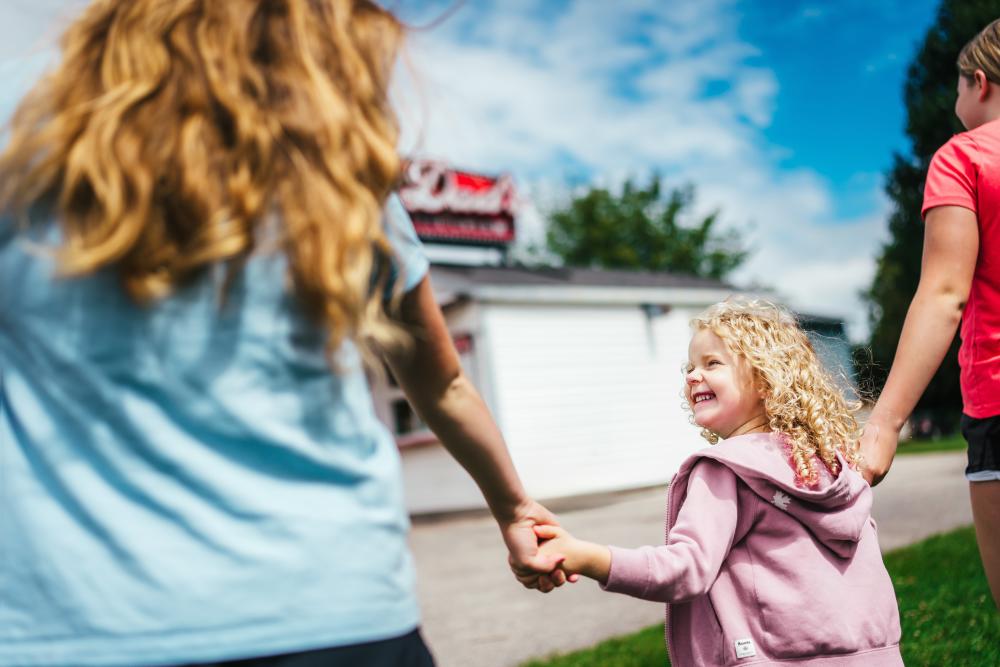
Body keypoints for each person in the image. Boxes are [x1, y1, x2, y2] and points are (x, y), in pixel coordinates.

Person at [0, 2, 564, 666]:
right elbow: (442, 384)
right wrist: (514, 507)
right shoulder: (331, 170)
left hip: (84, 623)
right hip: (338, 615)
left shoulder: (23, 140)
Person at [533, 299, 903, 666]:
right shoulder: (831, 465)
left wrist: (587, 557)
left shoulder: (726, 470)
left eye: (712, 363)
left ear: (765, 380)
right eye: (690, 367)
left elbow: (684, 569)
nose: (693, 376)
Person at [860, 18, 1000, 608]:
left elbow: (945, 294)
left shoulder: (964, 156)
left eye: (958, 87)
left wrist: (884, 424)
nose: (955, 101)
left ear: (979, 82)